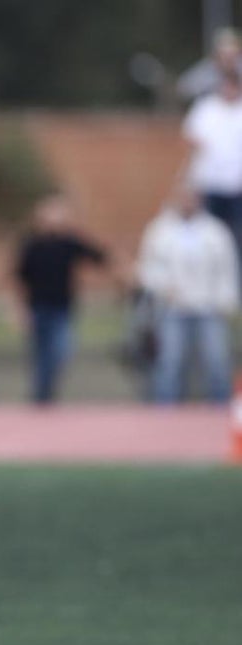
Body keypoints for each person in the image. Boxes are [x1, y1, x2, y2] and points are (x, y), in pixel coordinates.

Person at [137, 183, 240, 403]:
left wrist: (225, 299)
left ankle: (219, 407)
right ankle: (166, 409)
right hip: (174, 306)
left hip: (208, 306)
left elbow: (226, 268)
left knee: (216, 360)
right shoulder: (160, 230)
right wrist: (164, 287)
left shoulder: (215, 231)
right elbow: (148, 267)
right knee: (170, 361)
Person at [14, 193, 108, 404]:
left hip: (62, 308)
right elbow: (20, 279)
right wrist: (21, 310)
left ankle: (46, 392)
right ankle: (41, 397)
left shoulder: (69, 242)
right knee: (40, 355)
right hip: (38, 307)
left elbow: (99, 256)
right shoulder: (31, 245)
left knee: (62, 351)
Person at [182, 67, 242, 265]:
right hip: (210, 183)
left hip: (237, 186)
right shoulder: (206, 109)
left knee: (237, 238)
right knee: (208, 235)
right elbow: (190, 137)